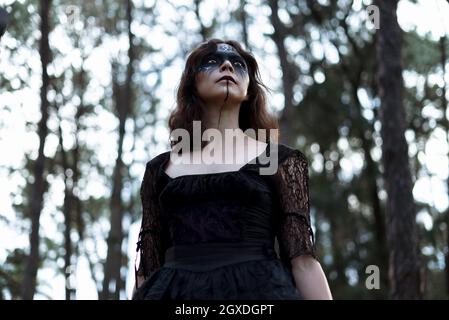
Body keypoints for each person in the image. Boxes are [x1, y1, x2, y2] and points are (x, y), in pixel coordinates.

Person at [132, 39, 332, 300]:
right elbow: (147, 271)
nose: (227, 65)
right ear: (192, 82)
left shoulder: (274, 159)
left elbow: (303, 261)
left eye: (238, 65)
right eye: (212, 62)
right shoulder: (161, 169)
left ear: (248, 89)